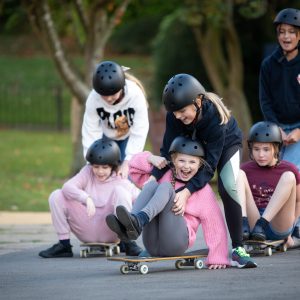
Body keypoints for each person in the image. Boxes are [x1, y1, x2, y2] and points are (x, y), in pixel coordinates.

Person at [145, 73, 257, 268]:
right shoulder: (175, 116)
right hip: (195, 146)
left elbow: (209, 167)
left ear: (198, 101)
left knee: (228, 184)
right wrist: (153, 179)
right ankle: (157, 241)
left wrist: (187, 192)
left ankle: (238, 248)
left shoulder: (215, 118)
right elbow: (167, 153)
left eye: (182, 111)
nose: (178, 116)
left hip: (226, 145)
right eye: (175, 113)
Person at [106, 136, 230, 269]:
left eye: (192, 162)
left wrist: (218, 257)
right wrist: (150, 158)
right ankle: (130, 226)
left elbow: (214, 222)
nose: (186, 166)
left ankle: (139, 220)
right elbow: (134, 168)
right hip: (152, 244)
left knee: (165, 187)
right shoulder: (164, 174)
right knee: (151, 184)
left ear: (200, 165)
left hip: (176, 242)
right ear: (174, 161)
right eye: (182, 160)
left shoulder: (203, 190)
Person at [39, 138, 142, 258]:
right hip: (86, 227)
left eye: (105, 167)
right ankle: (64, 245)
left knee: (121, 191)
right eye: (96, 167)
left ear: (113, 167)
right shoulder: (87, 172)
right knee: (56, 195)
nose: (99, 171)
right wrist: (86, 198)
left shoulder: (120, 179)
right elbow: (67, 187)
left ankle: (128, 242)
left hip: (111, 231)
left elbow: (141, 198)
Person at [259, 8, 300, 238]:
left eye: (291, 32)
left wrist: (298, 131)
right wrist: (276, 130)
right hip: (275, 130)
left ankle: (295, 226)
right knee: (273, 179)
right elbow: (265, 101)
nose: (286, 37)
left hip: (298, 129)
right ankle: (277, 225)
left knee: (293, 176)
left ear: (299, 36)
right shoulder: (269, 64)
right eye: (282, 32)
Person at [82, 60, 149, 179]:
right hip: (104, 137)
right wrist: (91, 161)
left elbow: (140, 130)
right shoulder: (93, 98)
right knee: (101, 175)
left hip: (128, 138)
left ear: (122, 87)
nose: (108, 99)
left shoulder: (135, 95)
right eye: (104, 95)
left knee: (124, 176)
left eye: (112, 94)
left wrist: (128, 161)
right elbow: (90, 130)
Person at [238, 121, 300, 248]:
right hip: (253, 223)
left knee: (289, 176)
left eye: (266, 149)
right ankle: (243, 225)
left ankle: (262, 224)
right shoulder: (246, 169)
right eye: (256, 149)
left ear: (276, 148)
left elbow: (298, 201)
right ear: (251, 148)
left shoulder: (289, 168)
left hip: (279, 223)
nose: (261, 155)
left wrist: (292, 229)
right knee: (238, 173)